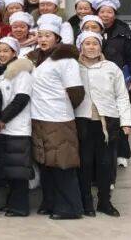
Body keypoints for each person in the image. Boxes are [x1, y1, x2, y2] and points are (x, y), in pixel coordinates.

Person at [28, 23, 86, 220]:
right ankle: (50, 202)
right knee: (46, 163)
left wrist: (62, 107)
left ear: (57, 38)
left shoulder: (66, 60)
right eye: (40, 35)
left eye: (48, 35)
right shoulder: (36, 58)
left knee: (62, 163)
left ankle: (70, 208)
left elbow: (76, 92)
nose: (43, 39)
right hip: (38, 117)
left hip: (58, 119)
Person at [75, 31, 131, 217]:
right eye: (87, 43)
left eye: (95, 43)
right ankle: (86, 201)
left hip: (107, 122)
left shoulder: (111, 67)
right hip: (81, 121)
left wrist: (126, 121)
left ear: (101, 46)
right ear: (80, 46)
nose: (91, 47)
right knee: (84, 163)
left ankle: (104, 201)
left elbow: (122, 96)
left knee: (106, 163)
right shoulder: (73, 67)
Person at [0, 37, 35, 217]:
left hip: (17, 128)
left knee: (18, 170)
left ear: (14, 53)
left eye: (6, 51)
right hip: (2, 127)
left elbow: (21, 99)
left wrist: (3, 118)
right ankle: (12, 203)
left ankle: (20, 207)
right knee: (9, 168)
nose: (2, 54)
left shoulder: (22, 72)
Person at [95, 0, 131, 167]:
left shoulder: (123, 31)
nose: (105, 15)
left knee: (123, 114)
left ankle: (122, 153)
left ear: (114, 14)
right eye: (102, 12)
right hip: (97, 81)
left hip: (120, 80)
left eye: (109, 12)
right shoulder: (92, 28)